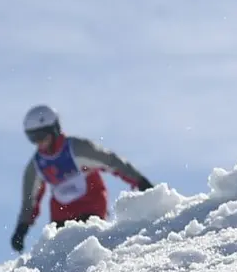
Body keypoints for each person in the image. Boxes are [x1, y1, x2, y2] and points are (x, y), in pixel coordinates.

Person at [12, 105, 154, 252]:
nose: (38, 142)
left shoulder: (77, 149)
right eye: (32, 138)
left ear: (53, 130)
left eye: (41, 136)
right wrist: (22, 228)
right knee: (62, 251)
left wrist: (140, 181)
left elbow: (112, 162)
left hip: (91, 206)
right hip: (61, 214)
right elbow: (30, 200)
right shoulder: (36, 166)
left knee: (88, 245)